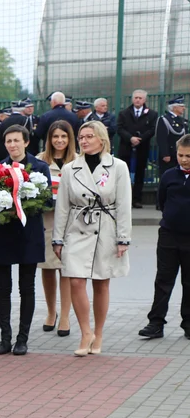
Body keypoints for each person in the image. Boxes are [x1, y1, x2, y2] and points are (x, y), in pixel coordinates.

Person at [53, 121, 131, 356]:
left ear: (102, 139)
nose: (84, 141)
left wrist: (123, 238)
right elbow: (63, 207)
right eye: (81, 137)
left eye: (89, 136)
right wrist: (57, 238)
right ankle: (85, 332)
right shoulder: (70, 169)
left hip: (106, 227)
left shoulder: (118, 167)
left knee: (101, 282)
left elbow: (124, 204)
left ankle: (99, 332)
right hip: (77, 227)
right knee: (75, 280)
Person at [0, 125, 51, 356]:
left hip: (28, 234)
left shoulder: (40, 167)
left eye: (16, 141)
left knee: (27, 287)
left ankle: (22, 339)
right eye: (8, 141)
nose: (12, 145)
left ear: (26, 142)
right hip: (2, 233)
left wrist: (24, 202)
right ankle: (5, 338)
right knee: (3, 287)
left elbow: (47, 202)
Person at [141, 135, 190, 340]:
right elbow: (161, 201)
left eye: (188, 156)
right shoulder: (169, 176)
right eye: (180, 155)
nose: (184, 159)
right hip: (169, 235)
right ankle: (156, 323)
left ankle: (188, 323)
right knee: (163, 280)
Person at [38, 120, 77, 337]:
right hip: (47, 221)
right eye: (55, 137)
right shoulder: (40, 160)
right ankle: (51, 312)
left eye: (63, 136)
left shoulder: (79, 161)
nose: (59, 140)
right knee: (48, 266)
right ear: (49, 139)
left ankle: (65, 316)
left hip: (72, 222)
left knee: (68, 269)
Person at [116, 89, 154, 209]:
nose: (137, 100)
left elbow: (152, 130)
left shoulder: (152, 114)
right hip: (126, 147)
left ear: (145, 100)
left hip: (142, 147)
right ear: (132, 99)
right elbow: (120, 128)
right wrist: (130, 138)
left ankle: (136, 199)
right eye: (136, 97)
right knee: (124, 173)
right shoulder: (124, 113)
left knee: (139, 174)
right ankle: (123, 199)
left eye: (140, 98)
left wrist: (140, 139)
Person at [155, 96, 188, 178]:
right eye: (181, 106)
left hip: (180, 154)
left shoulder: (182, 121)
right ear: (174, 107)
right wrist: (165, 154)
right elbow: (161, 138)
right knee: (167, 177)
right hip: (169, 155)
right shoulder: (164, 119)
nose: (184, 108)